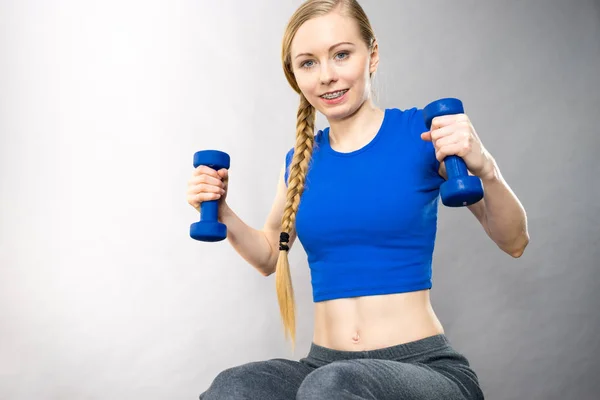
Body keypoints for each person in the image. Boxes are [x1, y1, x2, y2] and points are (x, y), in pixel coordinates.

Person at [187, 0, 529, 398]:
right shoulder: (301, 162)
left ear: (372, 54)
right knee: (234, 388)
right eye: (308, 63)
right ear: (295, 75)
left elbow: (515, 241)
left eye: (341, 54)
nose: (327, 76)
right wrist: (220, 208)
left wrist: (485, 167)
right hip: (323, 367)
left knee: (332, 385)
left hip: (421, 368)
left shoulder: (422, 134)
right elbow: (268, 254)